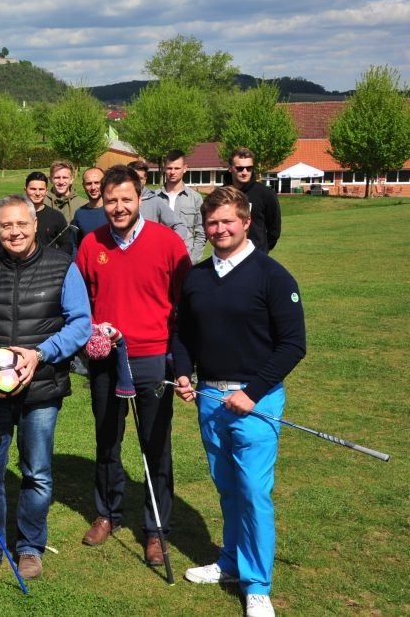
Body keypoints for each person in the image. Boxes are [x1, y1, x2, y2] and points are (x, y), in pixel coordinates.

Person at [171, 186, 305, 617]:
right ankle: (231, 561)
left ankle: (257, 583)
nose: (219, 229)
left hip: (256, 402)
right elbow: (182, 334)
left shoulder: (273, 276)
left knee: (253, 492)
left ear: (246, 222)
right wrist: (182, 372)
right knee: (228, 488)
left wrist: (252, 393)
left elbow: (292, 345)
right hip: (210, 399)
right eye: (212, 223)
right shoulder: (196, 276)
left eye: (228, 221)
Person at [0, 195, 92, 581]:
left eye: (21, 224)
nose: (14, 232)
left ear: (35, 225)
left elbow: (81, 323)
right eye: (6, 226)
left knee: (37, 473)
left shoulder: (62, 268)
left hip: (41, 392)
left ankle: (29, 546)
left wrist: (40, 354)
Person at [75, 164, 191, 566]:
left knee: (155, 447)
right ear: (101, 201)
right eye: (111, 200)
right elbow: (79, 303)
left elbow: (183, 307)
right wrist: (91, 330)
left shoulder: (168, 243)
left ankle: (156, 528)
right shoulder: (92, 244)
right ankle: (107, 513)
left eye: (126, 199)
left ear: (140, 198)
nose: (118, 207)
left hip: (153, 359)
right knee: (108, 440)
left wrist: (180, 360)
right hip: (107, 360)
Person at [227, 146, 281, 253]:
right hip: (227, 255)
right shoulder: (222, 194)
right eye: (239, 168)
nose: (245, 172)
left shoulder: (266, 194)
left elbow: (274, 230)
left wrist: (262, 250)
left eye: (249, 168)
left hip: (256, 256)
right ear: (230, 168)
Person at [158, 149, 206, 263]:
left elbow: (201, 234)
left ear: (185, 168)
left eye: (177, 168)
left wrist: (192, 261)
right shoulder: (155, 198)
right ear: (165, 168)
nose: (172, 172)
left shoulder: (195, 199)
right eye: (169, 168)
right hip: (159, 259)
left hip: (185, 258)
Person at [128, 160, 190, 242]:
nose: (136, 181)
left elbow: (180, 226)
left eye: (140, 178)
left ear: (145, 180)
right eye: (133, 177)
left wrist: (167, 246)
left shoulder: (155, 201)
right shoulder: (117, 202)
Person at [24, 171, 70, 255]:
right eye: (33, 189)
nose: (37, 193)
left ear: (46, 191)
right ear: (25, 190)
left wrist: (52, 258)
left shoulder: (56, 216)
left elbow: (67, 246)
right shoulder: (17, 215)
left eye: (41, 189)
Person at [70, 166, 107, 250]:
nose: (93, 187)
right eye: (89, 184)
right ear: (83, 186)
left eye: (97, 183)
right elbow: (75, 245)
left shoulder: (114, 211)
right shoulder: (79, 214)